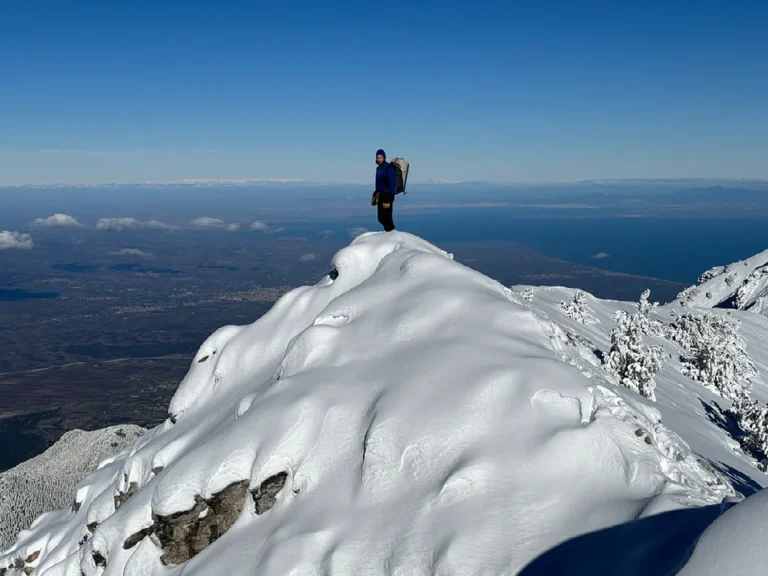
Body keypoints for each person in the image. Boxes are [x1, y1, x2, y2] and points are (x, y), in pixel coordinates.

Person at [371, 148, 397, 232]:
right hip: (380, 194)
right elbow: (379, 183)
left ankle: (391, 233)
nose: (379, 159)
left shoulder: (388, 168)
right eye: (378, 157)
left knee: (387, 217)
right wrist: (375, 194)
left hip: (387, 195)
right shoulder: (378, 168)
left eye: (381, 157)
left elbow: (393, 183)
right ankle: (388, 232)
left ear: (384, 157)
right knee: (381, 218)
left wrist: (388, 198)